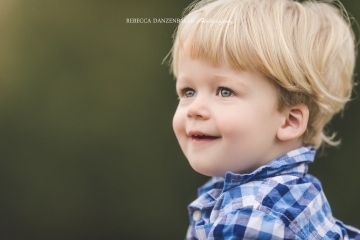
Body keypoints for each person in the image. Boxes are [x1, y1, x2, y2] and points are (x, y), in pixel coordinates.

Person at [165, 0, 360, 239]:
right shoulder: (288, 195)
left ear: (289, 121)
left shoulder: (254, 216)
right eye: (188, 91)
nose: (194, 109)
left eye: (225, 91)